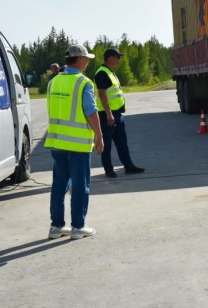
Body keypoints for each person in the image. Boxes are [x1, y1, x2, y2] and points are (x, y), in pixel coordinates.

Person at [46, 44, 104, 240]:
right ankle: (78, 226)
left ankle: (56, 227)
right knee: (80, 186)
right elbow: (90, 112)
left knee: (59, 185)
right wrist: (99, 135)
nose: (87, 61)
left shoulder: (53, 82)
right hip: (77, 144)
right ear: (79, 59)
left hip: (57, 142)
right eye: (86, 58)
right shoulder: (83, 83)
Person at [95, 48, 145, 178]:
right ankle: (108, 169)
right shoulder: (102, 73)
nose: (119, 59)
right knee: (107, 143)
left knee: (122, 142)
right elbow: (102, 95)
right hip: (107, 115)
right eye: (117, 56)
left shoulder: (111, 72)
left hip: (117, 114)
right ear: (109, 58)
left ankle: (128, 166)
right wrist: (109, 114)